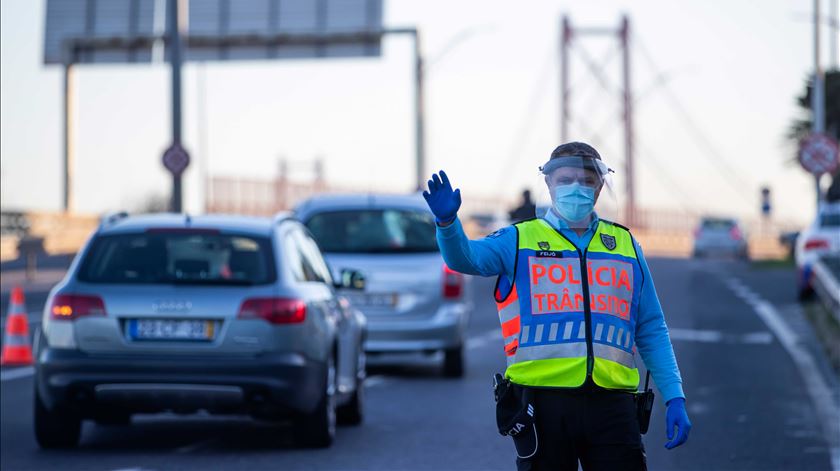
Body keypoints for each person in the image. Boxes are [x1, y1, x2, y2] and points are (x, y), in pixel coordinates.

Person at [422, 142, 691, 470]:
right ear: (548, 183)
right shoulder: (518, 239)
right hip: (542, 404)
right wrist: (448, 225)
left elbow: (650, 326)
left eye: (586, 180)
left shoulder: (625, 244)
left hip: (613, 405)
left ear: (600, 186)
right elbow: (466, 258)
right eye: (565, 180)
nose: (575, 188)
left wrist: (674, 395)